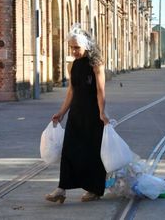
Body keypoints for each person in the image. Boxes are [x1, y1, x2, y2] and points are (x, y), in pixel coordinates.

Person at [46, 24, 109, 203]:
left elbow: (100, 90)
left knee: (92, 153)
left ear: (87, 46)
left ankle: (94, 190)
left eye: (77, 48)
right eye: (71, 47)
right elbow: (71, 92)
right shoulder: (72, 66)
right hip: (76, 114)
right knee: (69, 151)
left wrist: (102, 112)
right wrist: (61, 112)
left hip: (93, 114)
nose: (73, 51)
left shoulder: (96, 64)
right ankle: (61, 189)